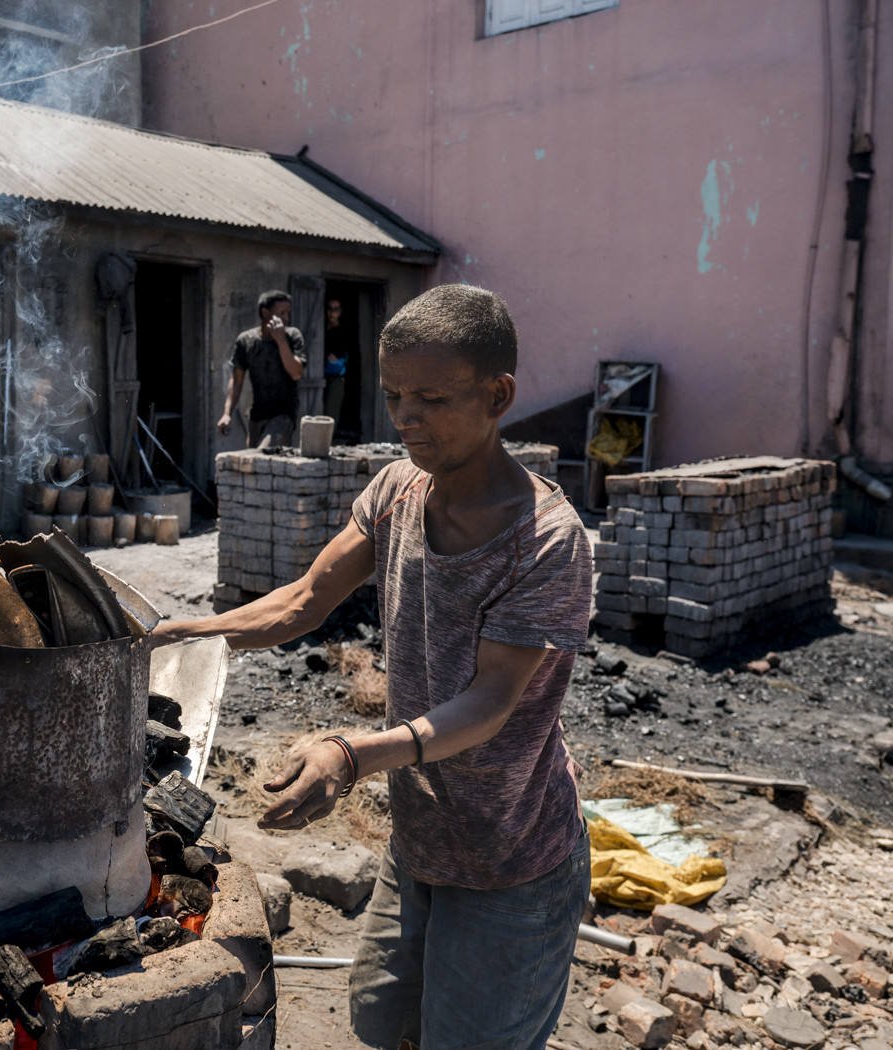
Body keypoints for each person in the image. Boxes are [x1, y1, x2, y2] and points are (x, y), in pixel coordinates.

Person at [156, 284, 592, 1050]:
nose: (404, 418)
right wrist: (172, 636)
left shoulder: (546, 541)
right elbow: (301, 602)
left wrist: (349, 754)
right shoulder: (397, 490)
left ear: (497, 396)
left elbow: (489, 702)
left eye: (430, 398)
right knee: (381, 1023)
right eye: (393, 396)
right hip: (419, 840)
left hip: (510, 858)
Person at [217, 290, 306, 449]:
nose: (286, 318)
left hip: (283, 415)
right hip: (257, 415)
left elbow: (296, 373)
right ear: (265, 312)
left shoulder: (292, 336)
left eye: (288, 313)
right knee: (253, 460)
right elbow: (237, 380)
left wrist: (281, 341)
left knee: (263, 453)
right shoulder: (246, 340)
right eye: (282, 313)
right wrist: (227, 414)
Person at [324, 297, 350, 429]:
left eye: (335, 309)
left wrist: (337, 360)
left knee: (331, 413)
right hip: (321, 375)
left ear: (340, 312)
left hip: (336, 376)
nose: (332, 312)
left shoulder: (344, 331)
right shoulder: (322, 330)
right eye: (329, 308)